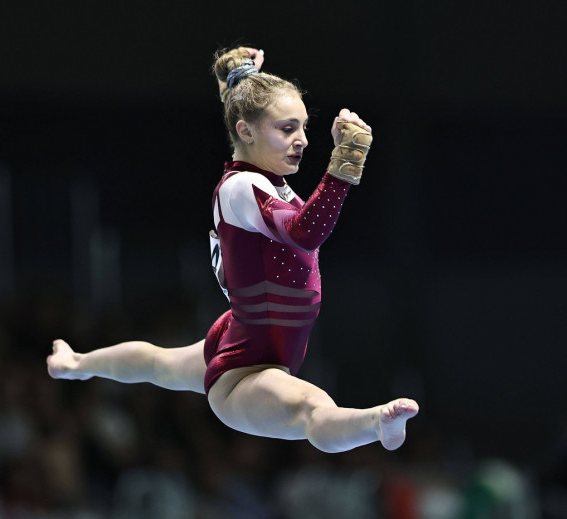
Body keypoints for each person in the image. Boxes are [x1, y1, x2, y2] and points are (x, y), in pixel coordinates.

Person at [47, 46, 418, 454]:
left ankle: (76, 364)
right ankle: (375, 423)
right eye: (288, 129)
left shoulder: (267, 180)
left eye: (304, 128)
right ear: (246, 131)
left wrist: (237, 84)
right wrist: (345, 162)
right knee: (313, 409)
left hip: (248, 332)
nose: (303, 141)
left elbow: (294, 218)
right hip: (245, 371)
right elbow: (304, 233)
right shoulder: (240, 188)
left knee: (158, 364)